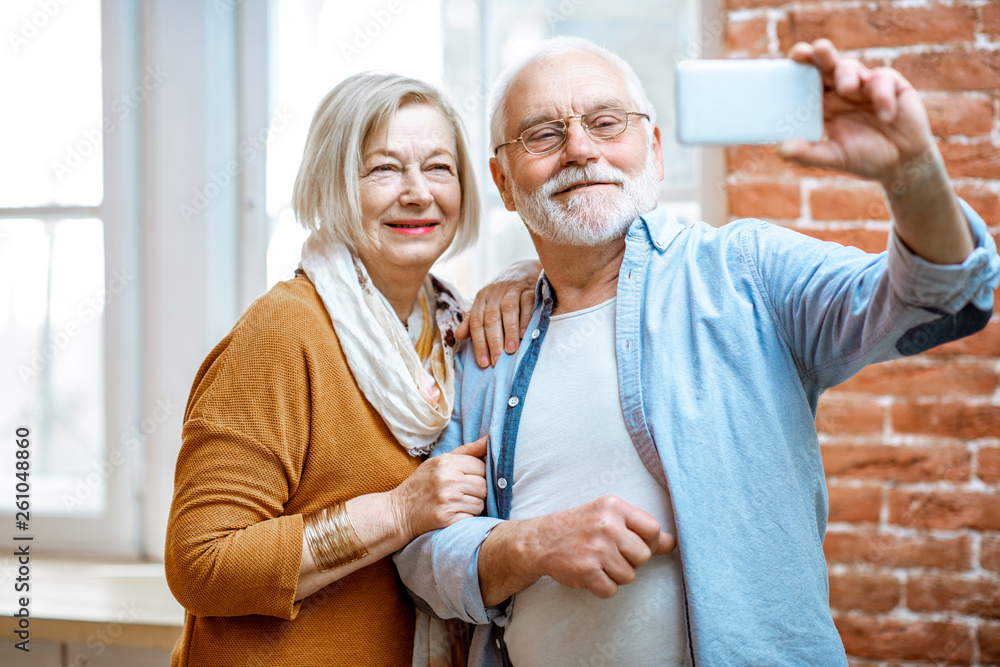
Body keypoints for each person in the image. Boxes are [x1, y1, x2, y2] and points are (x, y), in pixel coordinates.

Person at [394, 37, 1000, 666]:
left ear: (653, 151)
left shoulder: (745, 273)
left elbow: (938, 297)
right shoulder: (484, 345)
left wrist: (913, 173)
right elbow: (423, 558)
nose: (580, 149)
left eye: (607, 123)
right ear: (504, 182)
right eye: (543, 135)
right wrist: (529, 546)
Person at [164, 72, 537, 666]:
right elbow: (202, 564)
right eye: (383, 169)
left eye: (438, 168)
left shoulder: (454, 330)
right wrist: (397, 512)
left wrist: (529, 274)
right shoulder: (286, 329)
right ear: (334, 183)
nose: (417, 193)